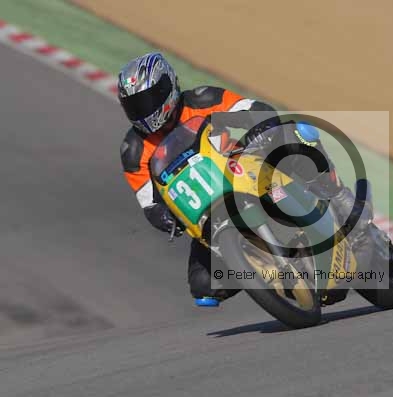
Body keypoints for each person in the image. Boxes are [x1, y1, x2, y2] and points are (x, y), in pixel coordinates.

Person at [117, 52, 372, 306]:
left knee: (294, 133)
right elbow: (150, 204)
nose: (143, 110)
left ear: (167, 87)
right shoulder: (134, 150)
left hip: (244, 167)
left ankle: (337, 195)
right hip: (207, 213)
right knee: (204, 285)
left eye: (146, 100)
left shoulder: (204, 99)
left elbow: (253, 109)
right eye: (134, 105)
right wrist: (165, 217)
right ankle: (272, 277)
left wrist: (260, 126)